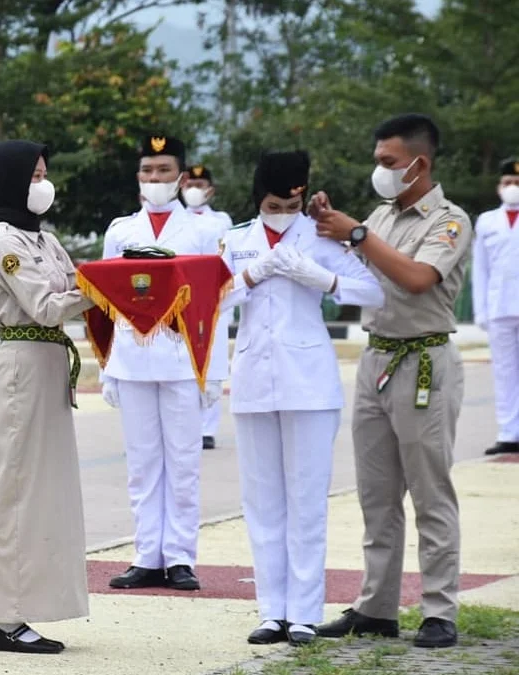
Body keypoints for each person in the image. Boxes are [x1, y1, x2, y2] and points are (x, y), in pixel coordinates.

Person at [314, 114, 471, 649]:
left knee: (430, 492)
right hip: (376, 359)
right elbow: (356, 273)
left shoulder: (448, 220)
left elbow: (417, 278)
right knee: (376, 494)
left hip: (425, 362)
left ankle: (439, 610)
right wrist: (334, 228)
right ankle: (377, 607)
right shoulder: (381, 215)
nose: (379, 171)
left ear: (418, 163)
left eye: (388, 163)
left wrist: (357, 233)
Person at [221, 151, 384, 646]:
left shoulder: (320, 236)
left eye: (291, 203)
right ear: (259, 198)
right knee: (262, 500)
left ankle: (305, 613)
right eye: (273, 203)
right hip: (252, 377)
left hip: (309, 381)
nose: (282, 212)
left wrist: (326, 280)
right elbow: (210, 299)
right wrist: (251, 275)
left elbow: (374, 292)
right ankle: (272, 611)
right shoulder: (236, 240)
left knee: (306, 501)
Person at [0, 139, 94, 654]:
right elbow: (46, 304)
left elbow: (72, 281)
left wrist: (109, 278)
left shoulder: (42, 236)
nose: (43, 183)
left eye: (45, 172)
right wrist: (110, 289)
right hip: (21, 365)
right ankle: (3, 618)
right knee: (15, 493)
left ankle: (25, 606)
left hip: (47, 365)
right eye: (34, 174)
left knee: (45, 492)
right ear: (12, 179)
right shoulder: (3, 240)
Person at [100, 135, 225, 592]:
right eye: (148, 172)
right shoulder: (121, 231)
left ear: (181, 176)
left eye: (164, 171)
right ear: (138, 178)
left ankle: (180, 556)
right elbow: (106, 302)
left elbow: (217, 304)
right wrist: (107, 366)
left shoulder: (202, 232)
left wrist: (213, 371)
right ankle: (146, 554)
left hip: (182, 360)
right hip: (133, 359)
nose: (155, 180)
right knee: (143, 462)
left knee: (184, 462)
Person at [184, 163, 234, 449]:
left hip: (213, 298)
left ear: (210, 190)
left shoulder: (221, 221)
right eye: (190, 185)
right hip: (184, 298)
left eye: (200, 186)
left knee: (211, 362)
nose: (194, 190)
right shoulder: (177, 221)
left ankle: (207, 428)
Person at [472, 158, 519, 455]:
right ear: (498, 187)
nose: (512, 188)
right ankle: (508, 432)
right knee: (504, 371)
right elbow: (480, 269)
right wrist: (481, 310)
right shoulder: (487, 221)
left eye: (517, 184)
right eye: (507, 183)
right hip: (500, 306)